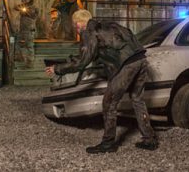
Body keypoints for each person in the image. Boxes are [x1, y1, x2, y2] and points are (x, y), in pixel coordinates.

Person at [45, 10, 158, 154]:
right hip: (141, 59)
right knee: (137, 99)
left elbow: (82, 62)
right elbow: (121, 44)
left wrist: (57, 69)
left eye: (76, 27)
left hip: (127, 65)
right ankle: (150, 139)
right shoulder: (109, 25)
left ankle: (108, 144)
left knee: (109, 103)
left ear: (78, 24)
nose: (77, 31)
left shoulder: (89, 32)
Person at [14, 0, 39, 68]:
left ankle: (30, 62)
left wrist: (25, 11)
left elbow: (33, 15)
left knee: (29, 46)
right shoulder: (23, 5)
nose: (23, 0)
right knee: (16, 43)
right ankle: (19, 57)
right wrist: (21, 8)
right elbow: (15, 7)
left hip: (29, 29)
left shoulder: (33, 6)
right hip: (22, 29)